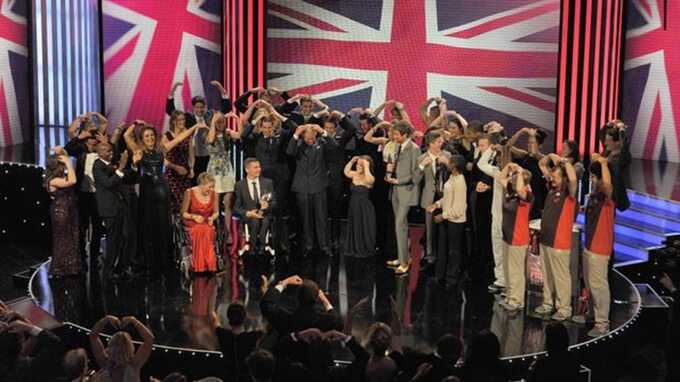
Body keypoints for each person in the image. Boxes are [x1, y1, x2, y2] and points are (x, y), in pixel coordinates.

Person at [123, 122, 202, 271]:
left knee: (163, 224)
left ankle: (164, 259)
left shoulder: (161, 149)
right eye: (147, 136)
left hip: (162, 190)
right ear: (142, 138)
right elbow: (127, 135)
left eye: (152, 135)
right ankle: (148, 260)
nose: (150, 138)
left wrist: (194, 126)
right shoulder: (138, 150)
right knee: (148, 224)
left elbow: (179, 139)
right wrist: (136, 124)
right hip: (147, 191)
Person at [535, 154, 579, 321]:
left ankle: (564, 308)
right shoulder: (552, 189)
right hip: (546, 239)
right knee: (547, 274)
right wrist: (551, 157)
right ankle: (547, 303)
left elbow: (573, 179)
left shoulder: (569, 194)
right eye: (551, 176)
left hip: (559, 242)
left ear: (564, 179)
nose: (552, 178)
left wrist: (563, 161)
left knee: (561, 276)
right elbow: (542, 163)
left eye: (555, 176)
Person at [286, 124, 338, 257]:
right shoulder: (298, 145)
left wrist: (323, 131)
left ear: (316, 135)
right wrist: (296, 133)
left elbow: (334, 146)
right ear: (303, 136)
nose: (310, 140)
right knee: (306, 219)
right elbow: (289, 152)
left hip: (319, 186)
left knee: (322, 218)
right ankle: (308, 246)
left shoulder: (322, 143)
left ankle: (324, 246)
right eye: (307, 138)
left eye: (312, 137)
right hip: (302, 187)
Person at [93, 143, 141, 280]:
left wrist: (134, 165)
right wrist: (120, 168)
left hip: (122, 206)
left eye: (109, 149)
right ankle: (108, 272)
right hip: (110, 209)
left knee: (130, 236)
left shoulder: (114, 164)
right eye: (104, 149)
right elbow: (108, 183)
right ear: (98, 152)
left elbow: (132, 178)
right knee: (114, 241)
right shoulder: (97, 166)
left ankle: (122, 268)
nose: (109, 152)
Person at [166, 80, 232, 179]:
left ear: (205, 107)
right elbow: (171, 111)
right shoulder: (188, 118)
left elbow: (226, 108)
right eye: (197, 107)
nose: (200, 110)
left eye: (202, 107)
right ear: (193, 107)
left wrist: (220, 88)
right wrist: (172, 91)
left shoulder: (210, 116)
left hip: (209, 156)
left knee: (209, 182)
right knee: (194, 182)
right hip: (193, 156)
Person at [583, 154, 614, 337]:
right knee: (589, 283)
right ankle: (592, 314)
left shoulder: (608, 197)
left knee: (598, 285)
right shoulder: (594, 195)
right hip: (589, 244)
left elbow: (608, 185)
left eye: (594, 177)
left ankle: (602, 323)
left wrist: (603, 163)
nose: (592, 180)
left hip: (600, 247)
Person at [426, 155, 467, 289]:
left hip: (455, 222)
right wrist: (436, 205)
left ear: (454, 166)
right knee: (443, 248)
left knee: (453, 251)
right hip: (447, 219)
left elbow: (459, 209)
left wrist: (443, 216)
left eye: (450, 163)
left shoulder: (460, 182)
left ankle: (452, 277)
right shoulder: (452, 178)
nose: (447, 164)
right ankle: (440, 275)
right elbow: (447, 197)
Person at [385, 120, 420, 275]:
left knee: (400, 225)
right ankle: (402, 257)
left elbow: (416, 174)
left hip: (406, 190)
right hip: (396, 190)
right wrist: (390, 175)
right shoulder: (398, 146)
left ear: (405, 135)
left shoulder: (414, 149)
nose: (394, 136)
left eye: (397, 134)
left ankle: (404, 263)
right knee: (401, 225)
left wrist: (399, 180)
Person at [499, 163, 534, 312]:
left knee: (516, 270)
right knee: (507, 269)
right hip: (507, 236)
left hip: (518, 237)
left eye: (515, 179)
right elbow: (501, 178)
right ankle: (509, 295)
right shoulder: (512, 192)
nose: (511, 181)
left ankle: (517, 300)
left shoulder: (526, 195)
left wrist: (519, 172)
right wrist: (509, 167)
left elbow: (520, 188)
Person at [415, 131, 452, 266]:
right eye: (438, 142)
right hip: (429, 195)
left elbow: (456, 173)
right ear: (431, 144)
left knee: (444, 225)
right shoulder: (421, 158)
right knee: (429, 227)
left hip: (444, 195)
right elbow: (416, 179)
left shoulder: (447, 155)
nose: (441, 143)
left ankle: (443, 252)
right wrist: (421, 166)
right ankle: (430, 253)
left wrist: (448, 164)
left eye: (442, 141)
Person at [44, 154, 83, 277]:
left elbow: (72, 175)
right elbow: (73, 180)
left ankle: (72, 267)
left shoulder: (60, 177)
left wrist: (64, 155)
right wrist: (69, 164)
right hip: (61, 212)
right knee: (63, 238)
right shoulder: (54, 180)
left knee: (72, 237)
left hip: (69, 210)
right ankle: (60, 268)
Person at [260, 275, 338, 335]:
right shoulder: (325, 321)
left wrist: (284, 283)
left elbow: (267, 305)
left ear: (297, 297)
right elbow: (338, 321)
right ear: (317, 297)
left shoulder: (287, 319)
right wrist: (325, 300)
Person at [89, 315, 154, 382]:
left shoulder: (104, 362)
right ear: (130, 347)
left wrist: (106, 319)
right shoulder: (135, 364)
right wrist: (134, 321)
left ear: (110, 346)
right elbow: (149, 339)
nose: (119, 349)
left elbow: (93, 336)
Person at [233, 158, 276, 251]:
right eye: (255, 167)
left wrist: (267, 206)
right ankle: (253, 248)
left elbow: (274, 202)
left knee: (265, 221)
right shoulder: (239, 185)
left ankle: (262, 247)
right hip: (249, 217)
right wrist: (249, 213)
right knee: (254, 221)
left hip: (265, 214)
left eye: (259, 167)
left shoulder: (268, 183)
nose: (259, 169)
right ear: (247, 170)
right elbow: (236, 208)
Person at [182, 172, 219, 273]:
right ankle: (200, 265)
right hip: (192, 220)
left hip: (207, 221)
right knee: (199, 229)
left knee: (207, 230)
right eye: (209, 187)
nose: (211, 189)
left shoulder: (214, 194)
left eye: (213, 187)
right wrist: (193, 216)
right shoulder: (189, 192)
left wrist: (212, 218)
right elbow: (183, 213)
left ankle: (208, 265)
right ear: (201, 184)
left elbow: (216, 212)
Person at [215, 303, 262, 380]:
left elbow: (211, 315)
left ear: (228, 317)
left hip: (228, 377)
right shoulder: (253, 336)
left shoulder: (222, 334)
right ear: (244, 318)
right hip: (246, 378)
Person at [342, 156, 376, 258]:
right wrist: (352, 161)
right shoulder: (354, 174)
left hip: (364, 208)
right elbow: (346, 172)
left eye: (360, 165)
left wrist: (366, 166)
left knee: (363, 227)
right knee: (355, 226)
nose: (358, 167)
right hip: (353, 207)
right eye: (357, 165)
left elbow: (370, 181)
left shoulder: (369, 177)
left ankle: (364, 248)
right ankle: (354, 246)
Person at [163, 110, 195, 214]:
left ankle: (183, 228)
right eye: (179, 120)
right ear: (173, 121)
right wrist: (176, 167)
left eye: (183, 119)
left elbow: (191, 154)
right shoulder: (167, 136)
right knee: (172, 203)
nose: (182, 122)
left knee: (185, 203)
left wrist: (191, 168)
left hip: (185, 174)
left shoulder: (187, 135)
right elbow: (162, 158)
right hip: (171, 174)